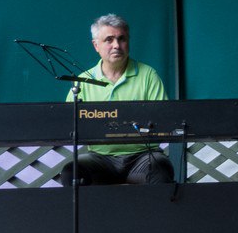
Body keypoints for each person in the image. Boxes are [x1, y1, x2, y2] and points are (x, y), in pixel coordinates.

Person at [58, 14, 175, 186]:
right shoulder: (83, 81)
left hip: (142, 157)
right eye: (109, 39)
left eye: (122, 39)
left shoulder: (148, 75)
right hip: (99, 159)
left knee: (160, 170)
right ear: (96, 45)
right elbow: (68, 124)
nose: (116, 45)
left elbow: (162, 121)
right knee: (72, 173)